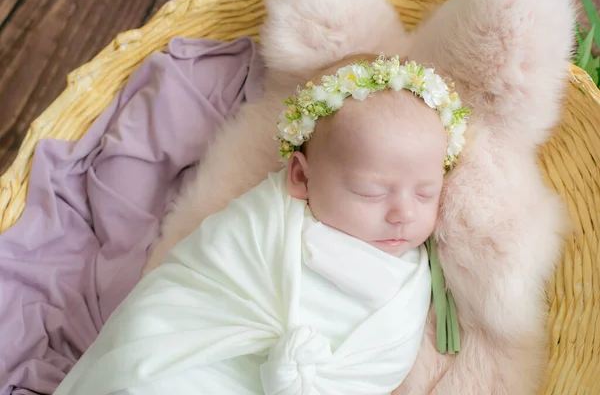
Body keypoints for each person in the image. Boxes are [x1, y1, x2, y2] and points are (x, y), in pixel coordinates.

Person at [53, 54, 469, 395]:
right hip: (192, 364)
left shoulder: (415, 273)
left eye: (425, 193)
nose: (403, 213)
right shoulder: (265, 223)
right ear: (302, 177)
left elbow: (378, 363)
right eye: (371, 192)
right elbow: (186, 295)